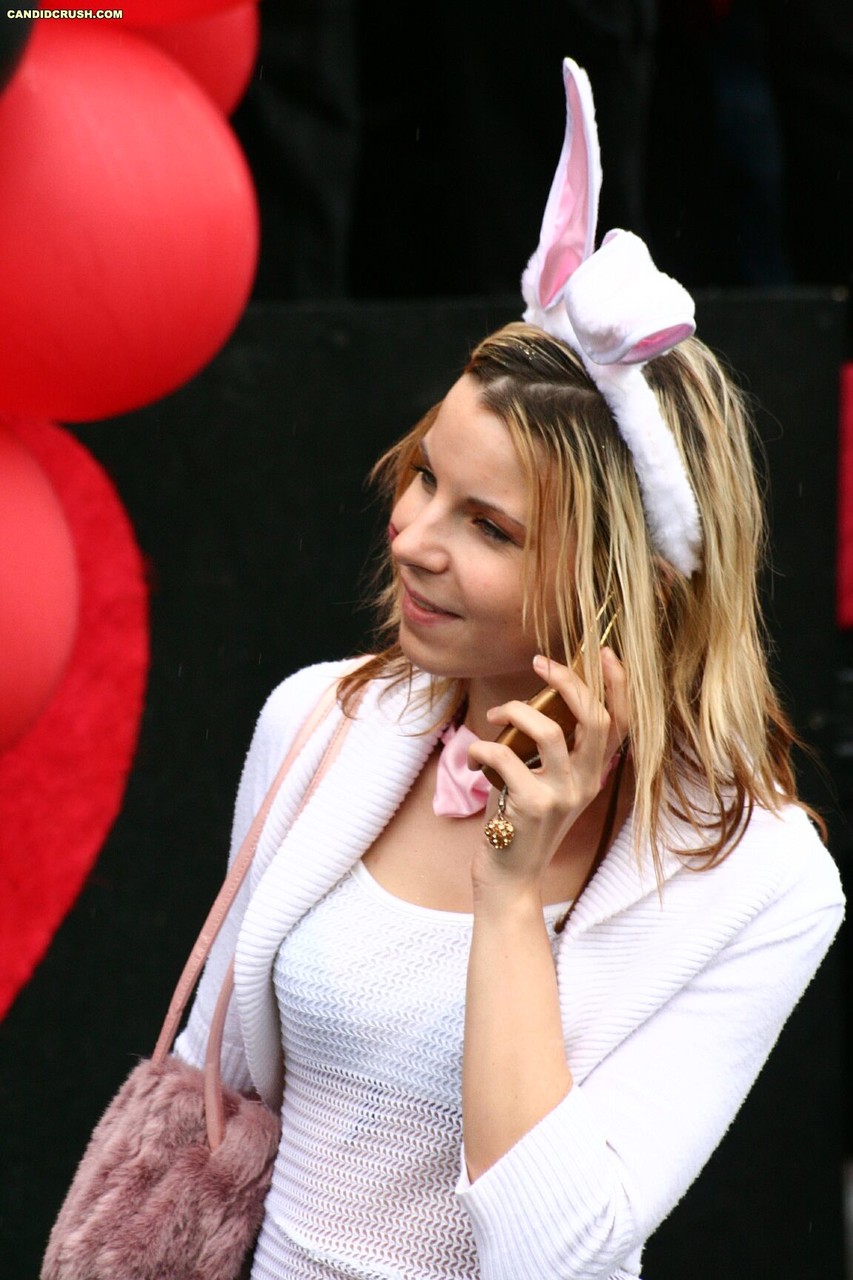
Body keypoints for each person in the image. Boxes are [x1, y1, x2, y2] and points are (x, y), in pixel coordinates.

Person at [174, 59, 845, 1280]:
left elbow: (555, 1250)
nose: (412, 537)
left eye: (487, 525)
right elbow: (213, 1096)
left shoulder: (762, 881)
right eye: (425, 476)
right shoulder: (318, 719)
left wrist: (511, 888)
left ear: (621, 583)